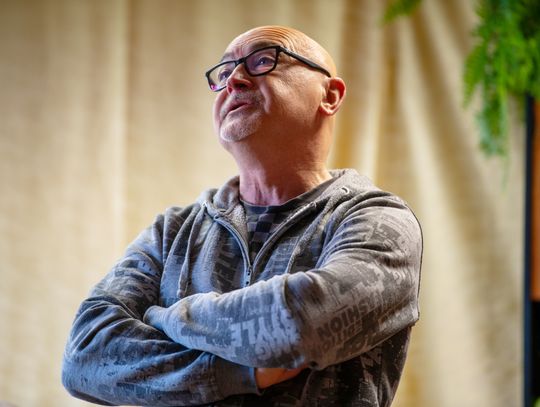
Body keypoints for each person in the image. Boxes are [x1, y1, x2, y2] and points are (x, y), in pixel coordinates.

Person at [62, 25, 422, 406]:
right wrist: (230, 371)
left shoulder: (380, 220)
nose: (234, 79)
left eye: (263, 60)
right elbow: (84, 355)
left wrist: (167, 317)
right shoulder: (171, 231)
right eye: (223, 72)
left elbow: (303, 324)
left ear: (329, 95)